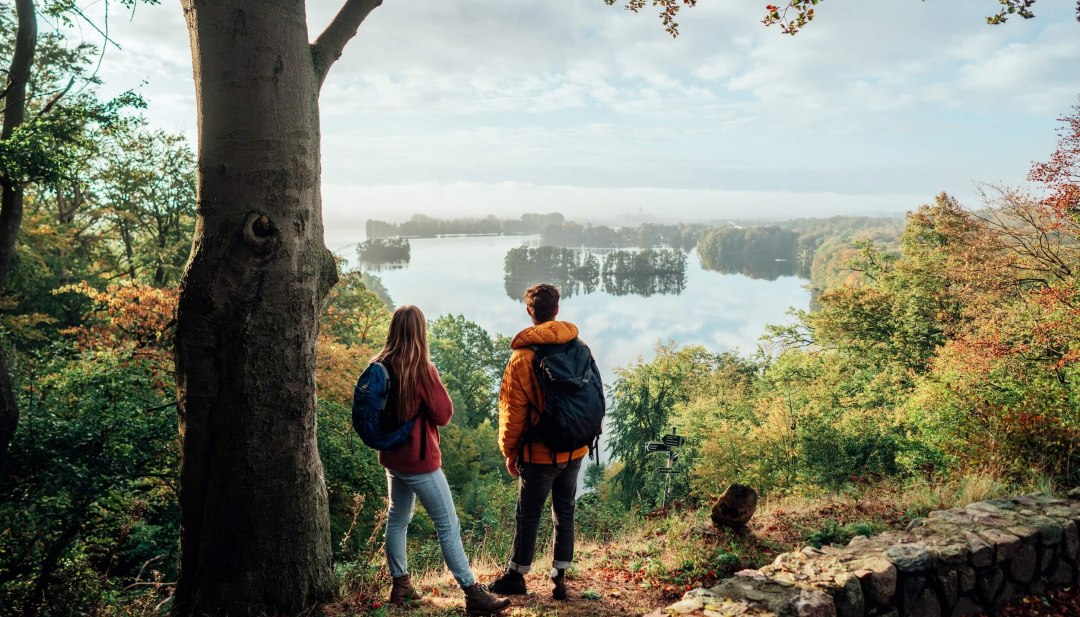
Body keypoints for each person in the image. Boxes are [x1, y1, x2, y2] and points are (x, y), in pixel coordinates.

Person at [374, 305, 510, 615]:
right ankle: (473, 593)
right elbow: (444, 414)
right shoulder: (422, 370)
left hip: (393, 459)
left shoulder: (380, 365)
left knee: (397, 518)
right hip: (420, 462)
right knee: (449, 525)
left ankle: (401, 584)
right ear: (420, 332)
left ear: (393, 330)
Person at [488, 283, 594, 600]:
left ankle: (517, 576)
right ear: (556, 310)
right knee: (565, 511)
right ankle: (559, 578)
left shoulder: (522, 359)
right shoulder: (580, 347)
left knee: (528, 514)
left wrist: (509, 451)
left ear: (529, 312)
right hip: (575, 447)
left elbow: (512, 413)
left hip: (539, 453)